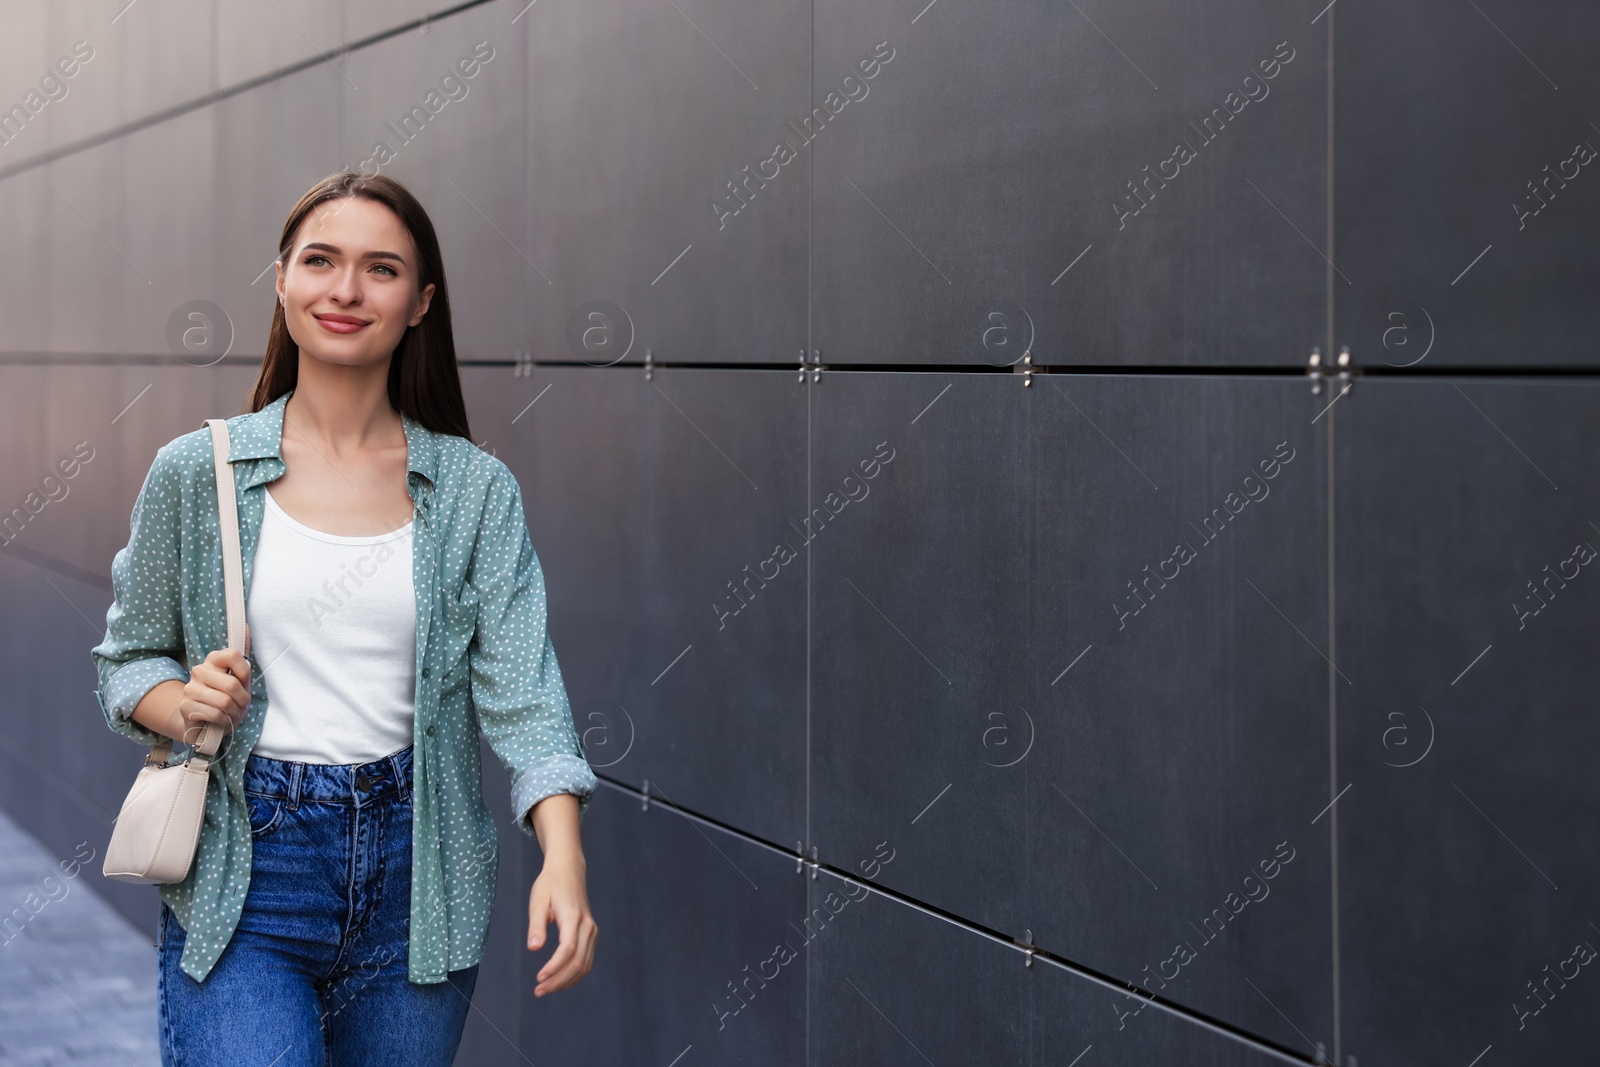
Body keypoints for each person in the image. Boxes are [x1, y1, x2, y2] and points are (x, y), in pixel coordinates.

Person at [90, 171, 599, 1066]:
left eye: (382, 269)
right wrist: (186, 704)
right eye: (321, 261)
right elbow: (125, 663)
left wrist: (563, 854)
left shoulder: (474, 490)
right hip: (247, 874)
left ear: (420, 302)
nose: (346, 290)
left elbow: (524, 694)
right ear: (282, 280)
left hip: (420, 883)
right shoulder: (194, 472)